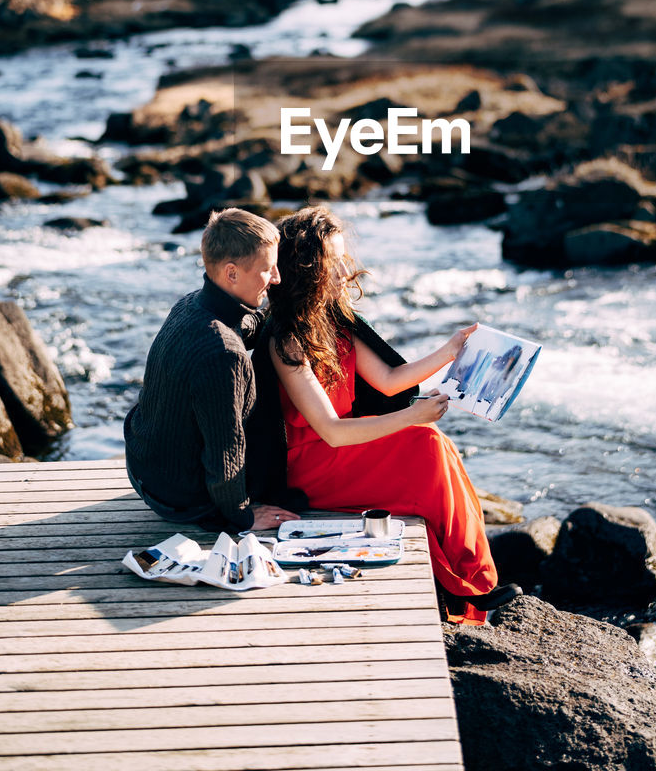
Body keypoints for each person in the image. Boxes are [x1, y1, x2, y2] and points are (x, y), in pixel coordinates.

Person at [262, 204, 519, 622]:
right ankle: (469, 587)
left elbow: (389, 379)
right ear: (307, 267)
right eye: (335, 261)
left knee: (440, 450)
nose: (347, 271)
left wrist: (451, 351)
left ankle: (472, 583)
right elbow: (329, 430)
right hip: (312, 463)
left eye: (345, 259)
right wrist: (411, 418)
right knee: (426, 445)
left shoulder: (337, 321)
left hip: (344, 447)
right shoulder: (286, 341)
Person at [124, 207, 300, 534]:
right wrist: (242, 516)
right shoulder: (223, 354)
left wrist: (277, 319)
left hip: (143, 468)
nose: (276, 278)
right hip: (179, 499)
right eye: (267, 268)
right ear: (231, 274)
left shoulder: (191, 304)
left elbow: (243, 324)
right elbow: (226, 454)